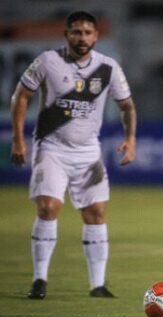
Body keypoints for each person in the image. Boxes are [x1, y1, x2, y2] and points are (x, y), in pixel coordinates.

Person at [10, 11, 137, 299]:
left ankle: (98, 285)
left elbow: (127, 106)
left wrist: (130, 139)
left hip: (88, 152)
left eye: (87, 32)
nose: (82, 38)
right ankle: (39, 280)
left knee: (96, 213)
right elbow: (21, 96)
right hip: (51, 148)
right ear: (66, 34)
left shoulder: (108, 67)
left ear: (96, 36)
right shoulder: (47, 61)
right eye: (76, 32)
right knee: (49, 206)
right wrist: (18, 140)